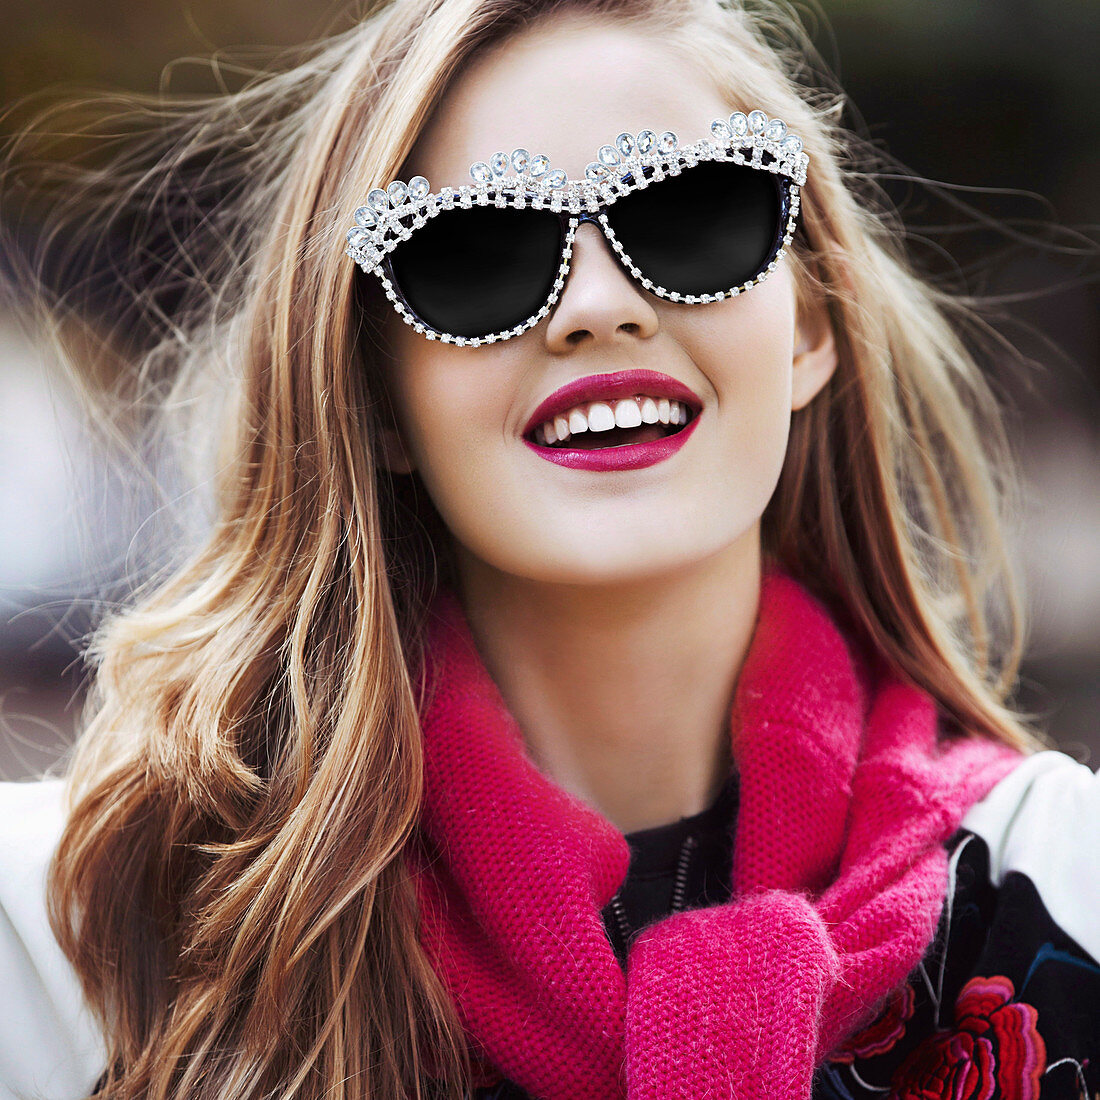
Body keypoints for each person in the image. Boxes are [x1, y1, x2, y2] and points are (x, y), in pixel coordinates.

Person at [0, 0, 1097, 1097]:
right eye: (475, 252)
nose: (597, 306)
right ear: (375, 397)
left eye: (690, 215)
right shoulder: (73, 933)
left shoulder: (1064, 880)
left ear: (808, 325)